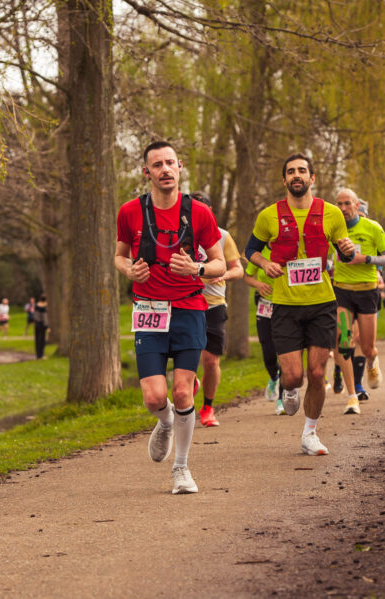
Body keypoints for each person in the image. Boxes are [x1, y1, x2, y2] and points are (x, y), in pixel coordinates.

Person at [115, 141, 225, 494]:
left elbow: (220, 264)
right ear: (146, 172)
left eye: (170, 163)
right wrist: (129, 271)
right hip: (148, 309)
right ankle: (165, 423)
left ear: (180, 167)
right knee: (153, 397)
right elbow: (119, 256)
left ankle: (181, 469)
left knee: (182, 392)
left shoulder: (199, 213)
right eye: (157, 165)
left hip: (189, 309)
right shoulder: (130, 211)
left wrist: (197, 268)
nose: (165, 169)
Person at [245, 153, 357, 456]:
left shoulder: (332, 213)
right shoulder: (268, 215)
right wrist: (265, 263)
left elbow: (344, 254)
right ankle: (289, 388)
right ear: (284, 180)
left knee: (318, 373)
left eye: (302, 170)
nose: (297, 175)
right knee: (294, 375)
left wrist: (347, 250)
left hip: (322, 303)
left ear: (312, 178)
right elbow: (250, 249)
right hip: (284, 304)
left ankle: (310, 433)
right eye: (291, 171)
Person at [330, 189, 385, 412]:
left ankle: (372, 361)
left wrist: (365, 259)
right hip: (342, 292)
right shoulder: (332, 230)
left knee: (367, 347)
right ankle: (352, 396)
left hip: (367, 292)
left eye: (347, 203)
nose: (343, 208)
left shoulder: (373, 227)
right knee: (344, 343)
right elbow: (325, 256)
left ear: (357, 205)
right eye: (339, 204)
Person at [190, 192, 244, 428]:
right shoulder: (180, 236)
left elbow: (238, 269)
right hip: (186, 303)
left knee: (211, 361)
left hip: (214, 305)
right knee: (186, 356)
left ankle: (207, 408)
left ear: (210, 212)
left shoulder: (222, 236)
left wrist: (223, 274)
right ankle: (191, 382)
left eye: (202, 209)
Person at [244, 245, 284, 414]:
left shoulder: (287, 247)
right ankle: (274, 377)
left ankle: (282, 398)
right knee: (268, 353)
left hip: (286, 306)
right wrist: (258, 284)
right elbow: (247, 277)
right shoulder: (259, 253)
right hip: (265, 306)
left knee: (285, 353)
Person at [33, 294, 49, 359]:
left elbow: (35, 315)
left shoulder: (36, 306)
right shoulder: (43, 308)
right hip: (42, 325)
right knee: (42, 340)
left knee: (37, 340)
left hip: (36, 324)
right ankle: (41, 355)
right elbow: (44, 318)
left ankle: (37, 354)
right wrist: (47, 326)